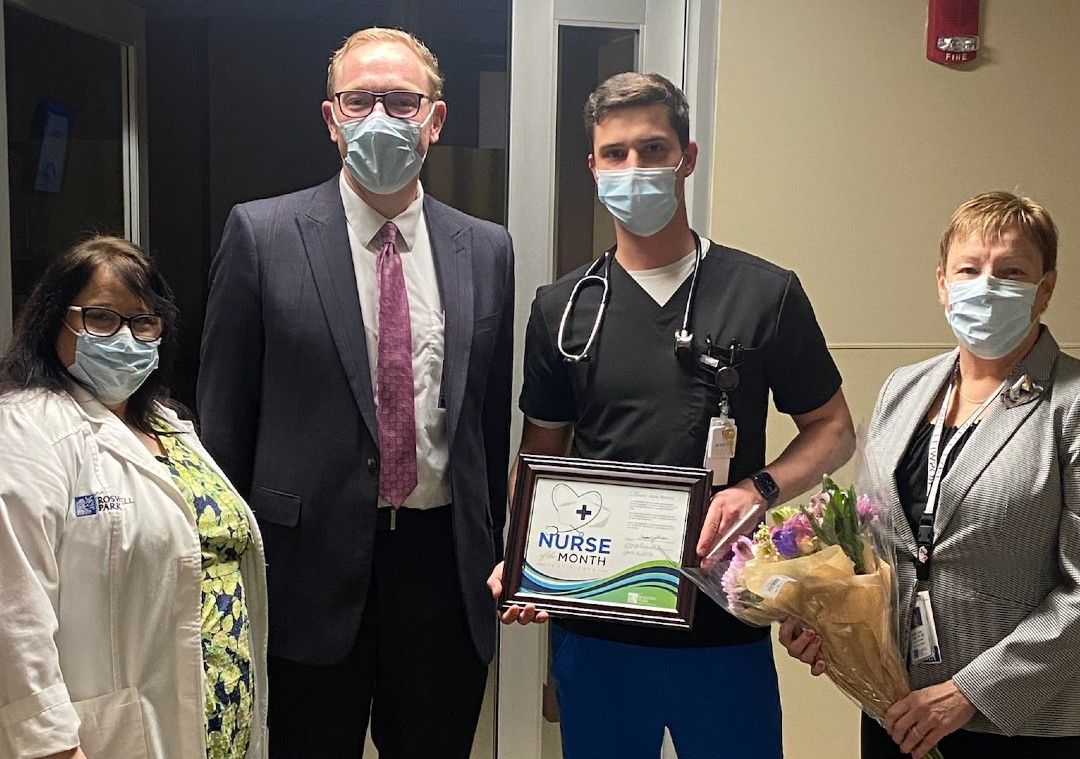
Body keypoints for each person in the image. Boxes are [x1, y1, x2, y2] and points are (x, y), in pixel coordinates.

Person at [487, 72, 854, 759]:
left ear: (687, 155)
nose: (635, 169)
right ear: (592, 168)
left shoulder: (764, 293)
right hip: (598, 633)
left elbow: (834, 428)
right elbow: (539, 456)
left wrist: (759, 487)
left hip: (722, 626)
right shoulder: (561, 307)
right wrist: (525, 560)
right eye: (616, 154)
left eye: (653, 149)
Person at [197, 27, 514, 758]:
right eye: (360, 99)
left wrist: (496, 544)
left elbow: (486, 421)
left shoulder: (486, 247)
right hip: (305, 571)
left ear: (434, 120)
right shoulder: (262, 233)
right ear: (331, 117)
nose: (380, 116)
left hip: (441, 572)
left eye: (401, 102)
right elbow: (223, 424)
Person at [781, 192, 1080, 759]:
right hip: (896, 707)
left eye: (1011, 271)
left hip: (1020, 725)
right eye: (969, 269)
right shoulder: (905, 389)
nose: (986, 285)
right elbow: (874, 539)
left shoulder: (1071, 404)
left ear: (1044, 289)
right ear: (942, 283)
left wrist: (970, 692)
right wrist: (824, 615)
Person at [0, 236, 268, 759]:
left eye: (143, 322)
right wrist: (50, 746)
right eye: (101, 318)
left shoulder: (170, 425)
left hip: (220, 725)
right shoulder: (25, 431)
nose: (125, 337)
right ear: (57, 320)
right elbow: (14, 610)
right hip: (115, 737)